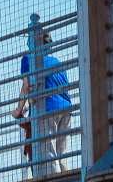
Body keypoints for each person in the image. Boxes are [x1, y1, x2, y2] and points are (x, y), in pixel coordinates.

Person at [16, 29, 74, 174]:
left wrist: (18, 110)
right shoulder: (57, 62)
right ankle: (67, 178)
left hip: (48, 107)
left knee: (49, 151)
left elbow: (26, 85)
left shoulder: (28, 59)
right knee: (62, 152)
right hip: (66, 108)